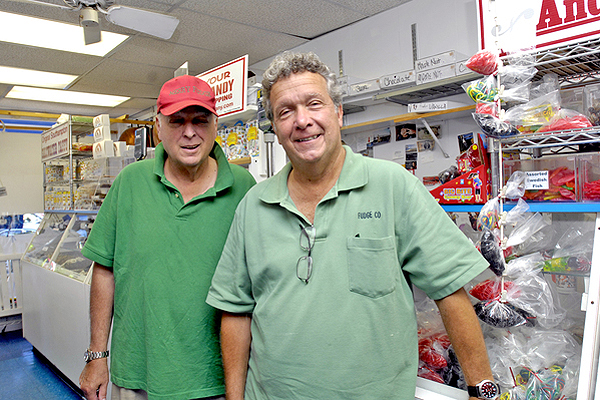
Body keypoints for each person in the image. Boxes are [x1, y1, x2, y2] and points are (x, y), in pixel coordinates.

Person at [206, 52, 498, 400]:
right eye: (285, 111)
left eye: (314, 104)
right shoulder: (253, 207)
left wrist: (482, 388)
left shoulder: (393, 186)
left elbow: (449, 291)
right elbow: (236, 312)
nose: (302, 121)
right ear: (276, 129)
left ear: (338, 112)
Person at [79, 75, 256, 400]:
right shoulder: (130, 182)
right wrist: (97, 354)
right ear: (158, 126)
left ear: (215, 124)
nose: (189, 132)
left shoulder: (244, 187)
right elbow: (104, 270)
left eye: (200, 121)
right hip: (137, 375)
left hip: (216, 379)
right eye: (177, 121)